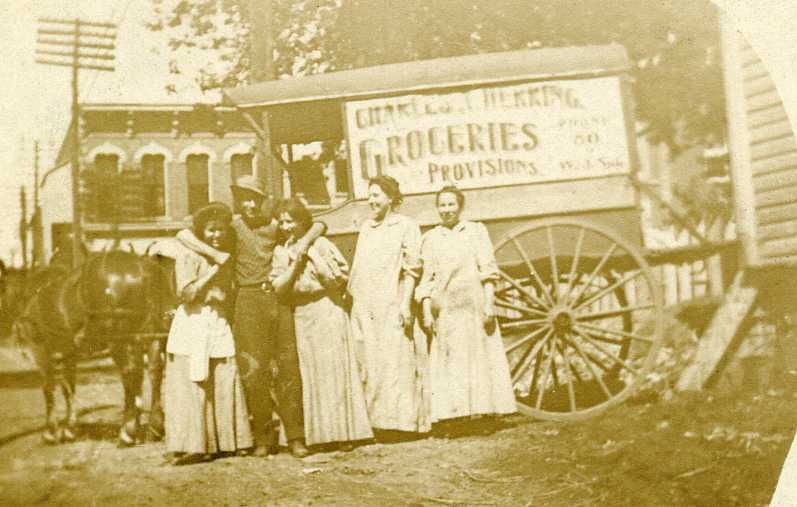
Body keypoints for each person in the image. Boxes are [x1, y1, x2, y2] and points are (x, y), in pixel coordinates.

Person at [176, 175, 324, 458]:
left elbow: (318, 223)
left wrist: (303, 243)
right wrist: (215, 255)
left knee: (288, 368)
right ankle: (264, 438)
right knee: (253, 372)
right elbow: (182, 234)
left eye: (254, 198)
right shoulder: (231, 224)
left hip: (277, 298)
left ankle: (295, 437)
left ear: (262, 200)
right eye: (243, 198)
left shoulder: (274, 225)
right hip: (246, 301)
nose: (249, 204)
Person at [270, 198, 373, 449]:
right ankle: (320, 436)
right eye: (282, 222)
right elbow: (279, 287)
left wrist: (312, 255)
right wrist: (295, 262)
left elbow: (339, 279)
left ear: (302, 221)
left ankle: (343, 434)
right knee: (311, 374)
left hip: (328, 307)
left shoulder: (321, 243)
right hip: (302, 314)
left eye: (290, 221)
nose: (286, 226)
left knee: (335, 372)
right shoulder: (280, 251)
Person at [417, 185, 516, 423]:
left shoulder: (475, 231)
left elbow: (488, 270)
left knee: (478, 360)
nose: (447, 210)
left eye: (451, 204)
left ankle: (482, 413)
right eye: (442, 205)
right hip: (447, 312)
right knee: (451, 362)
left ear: (460, 206)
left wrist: (489, 304)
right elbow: (427, 280)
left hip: (473, 308)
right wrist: (427, 312)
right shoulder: (431, 238)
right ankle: (456, 415)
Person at [163, 202, 253, 465]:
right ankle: (194, 444)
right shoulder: (189, 255)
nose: (216, 235)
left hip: (217, 320)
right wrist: (213, 272)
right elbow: (187, 294)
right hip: (192, 321)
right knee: (193, 383)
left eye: (220, 230)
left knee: (224, 377)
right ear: (201, 231)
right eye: (210, 230)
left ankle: (228, 442)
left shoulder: (228, 252)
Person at [348, 175, 430, 433]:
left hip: (392, 301)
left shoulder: (405, 225)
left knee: (397, 361)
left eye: (377, 195)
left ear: (392, 198)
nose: (372, 201)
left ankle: (404, 423)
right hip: (367, 305)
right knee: (372, 362)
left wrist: (404, 304)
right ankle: (378, 423)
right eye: (370, 195)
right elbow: (359, 269)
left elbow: (412, 269)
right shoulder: (366, 228)